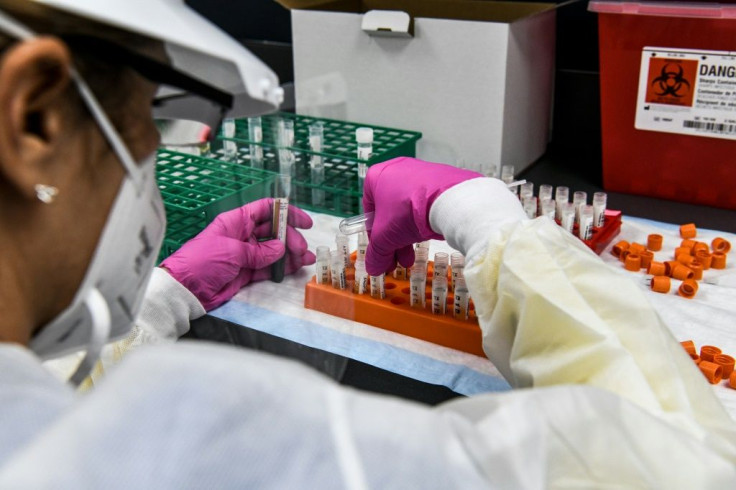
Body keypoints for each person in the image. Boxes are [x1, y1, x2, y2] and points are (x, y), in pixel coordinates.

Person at [0, 1, 734, 488]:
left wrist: (164, 297)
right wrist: (492, 223)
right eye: (147, 127)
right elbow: (682, 465)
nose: (153, 174)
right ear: (35, 120)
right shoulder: (201, 443)